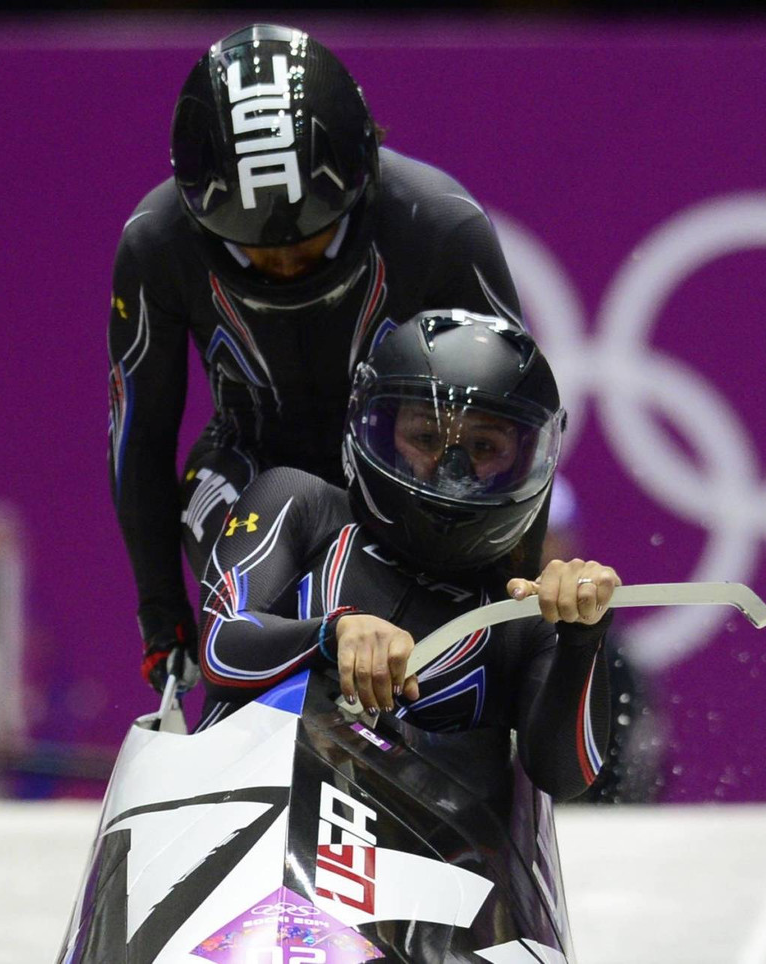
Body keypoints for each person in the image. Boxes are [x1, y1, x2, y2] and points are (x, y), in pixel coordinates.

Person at [106, 24, 526, 694]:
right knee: (247, 556)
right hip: (244, 469)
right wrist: (163, 620)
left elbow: (513, 415)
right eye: (254, 246)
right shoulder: (156, 246)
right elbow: (142, 436)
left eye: (310, 235)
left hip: (402, 478)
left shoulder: (441, 227)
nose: (283, 261)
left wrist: (511, 603)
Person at [193, 310, 614, 798]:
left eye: (482, 446)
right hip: (244, 824)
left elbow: (564, 778)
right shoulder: (298, 505)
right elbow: (220, 647)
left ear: (525, 460)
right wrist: (333, 634)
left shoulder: (523, 615)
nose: (450, 471)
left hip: (427, 864)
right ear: (379, 427)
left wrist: (582, 641)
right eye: (426, 439)